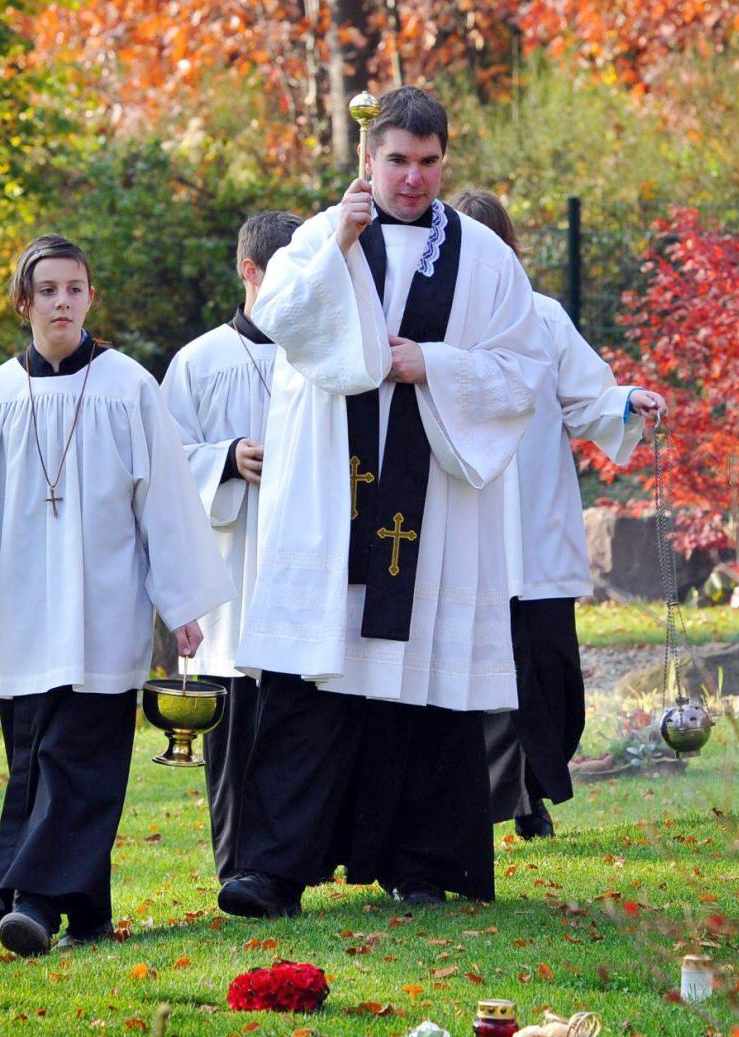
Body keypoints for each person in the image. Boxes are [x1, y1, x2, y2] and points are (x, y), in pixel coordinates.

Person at [219, 87, 545, 918]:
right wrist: (339, 239)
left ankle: (426, 863)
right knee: (313, 684)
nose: (413, 178)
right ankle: (274, 870)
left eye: (429, 162)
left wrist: (431, 365)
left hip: (430, 501)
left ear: (446, 160)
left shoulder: (485, 259)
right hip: (333, 501)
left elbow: (522, 372)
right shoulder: (315, 240)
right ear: (369, 160)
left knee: (423, 685)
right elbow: (278, 317)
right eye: (397, 160)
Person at [0, 234, 234, 956]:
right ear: (25, 303)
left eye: (74, 288)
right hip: (24, 613)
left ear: (89, 299)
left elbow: (166, 503)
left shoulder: (128, 387)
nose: (61, 302)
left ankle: (35, 905)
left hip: (107, 612)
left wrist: (182, 605)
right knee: (37, 760)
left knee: (79, 762)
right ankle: (90, 912)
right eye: (47, 290)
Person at [445, 189, 665, 839]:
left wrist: (629, 402)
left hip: (536, 527)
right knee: (485, 672)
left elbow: (588, 396)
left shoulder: (542, 319)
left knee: (551, 672)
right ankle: (512, 801)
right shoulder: (439, 326)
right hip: (471, 531)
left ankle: (537, 782)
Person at [160, 209, 303, 885]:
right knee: (236, 726)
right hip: (233, 572)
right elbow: (161, 462)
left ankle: (288, 869)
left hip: (305, 563)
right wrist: (225, 457)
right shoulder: (199, 361)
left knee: (298, 726)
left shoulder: (322, 353)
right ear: (251, 271)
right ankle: (234, 867)